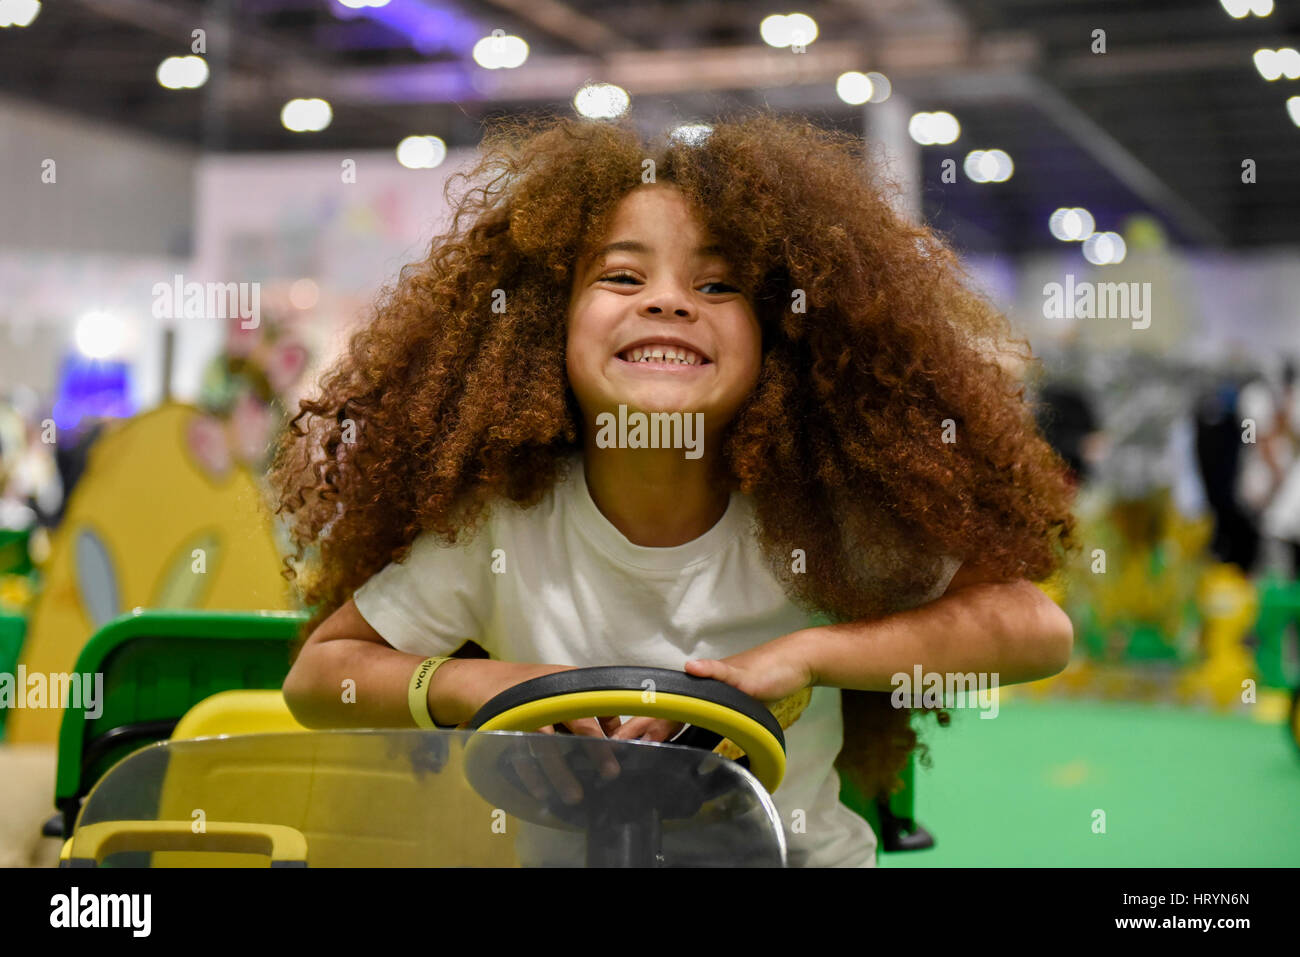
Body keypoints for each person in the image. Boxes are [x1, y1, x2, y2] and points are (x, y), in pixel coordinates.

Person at [274, 114, 1076, 867]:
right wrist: (469, 681)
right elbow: (321, 677)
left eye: (720, 286)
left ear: (782, 340)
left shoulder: (826, 523)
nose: (668, 299)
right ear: (543, 324)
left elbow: (1035, 628)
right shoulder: (499, 526)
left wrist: (805, 657)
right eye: (623, 275)